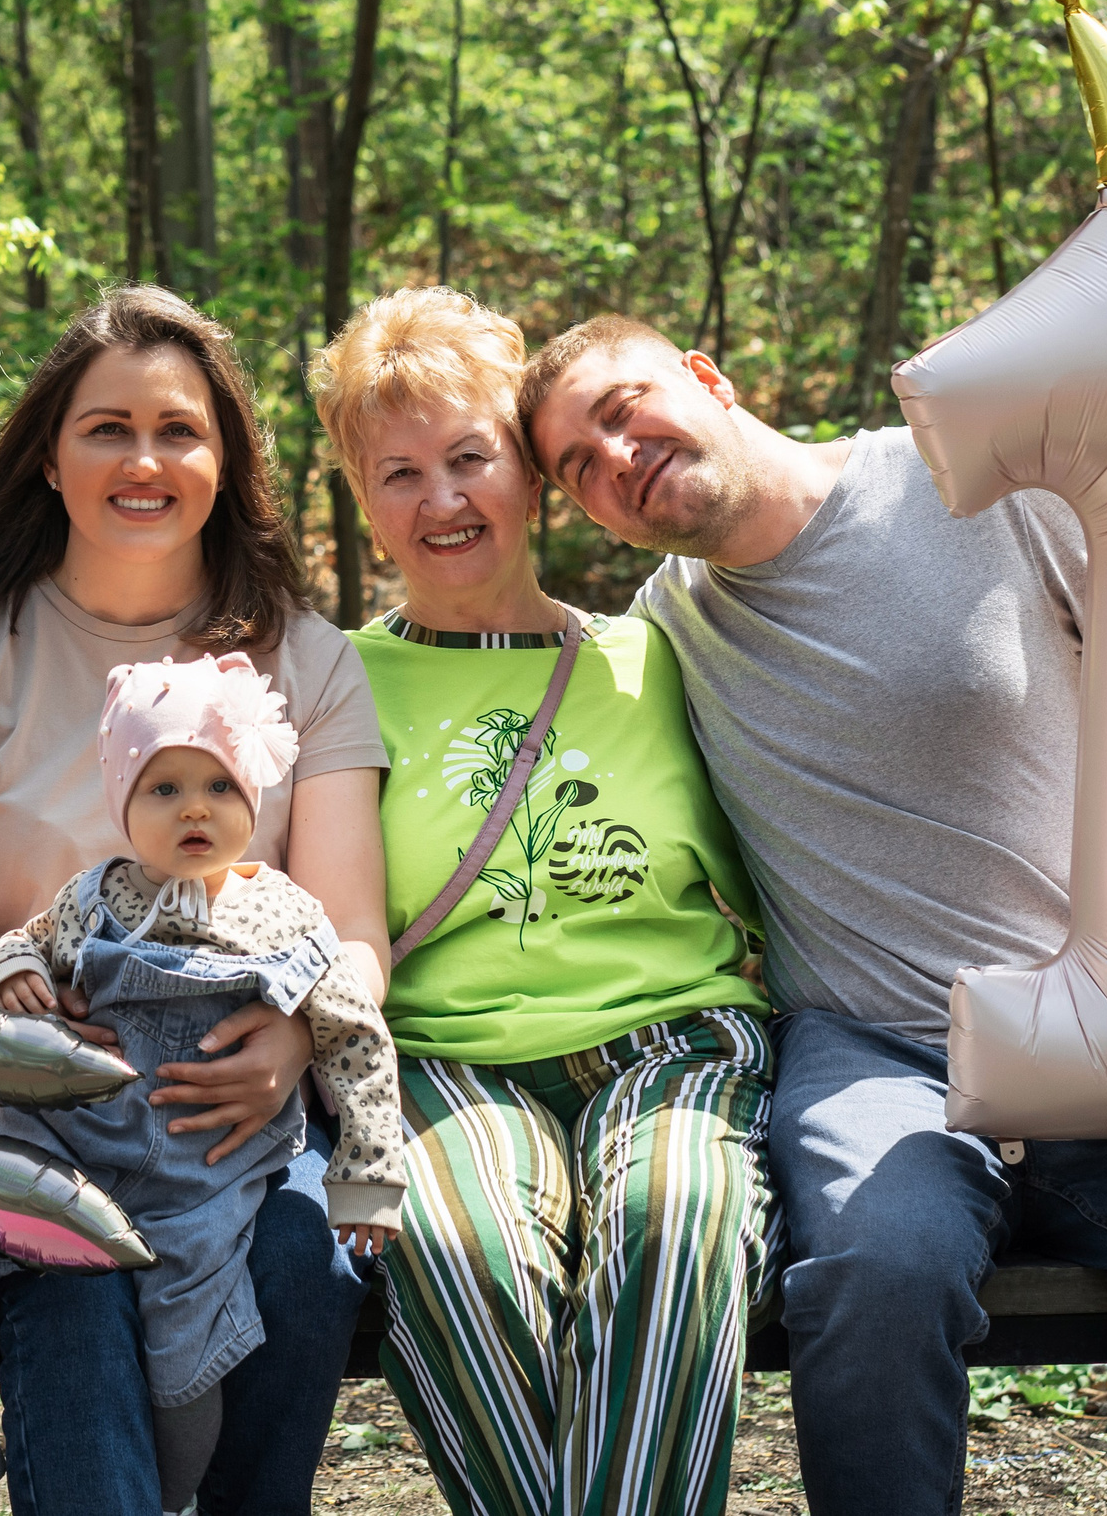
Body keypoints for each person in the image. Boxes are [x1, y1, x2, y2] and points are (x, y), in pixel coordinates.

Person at [520, 313, 1107, 1516]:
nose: (615, 456)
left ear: (705, 378)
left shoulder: (971, 486)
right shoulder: (658, 641)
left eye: (624, 409)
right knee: (880, 1272)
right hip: (878, 1053)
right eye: (576, 465)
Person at [0, 283, 392, 1516]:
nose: (143, 460)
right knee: (71, 1264)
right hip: (39, 1097)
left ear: (226, 460)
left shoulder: (307, 658)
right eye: (107, 428)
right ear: (50, 456)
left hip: (247, 1101)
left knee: (305, 1264)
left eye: (179, 430)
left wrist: (299, 1033)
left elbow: (350, 929)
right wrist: (38, 1052)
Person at [310, 287, 773, 1516]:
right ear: (363, 500)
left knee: (675, 1223)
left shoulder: (661, 653)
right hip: (451, 1063)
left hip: (674, 1045)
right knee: (455, 1255)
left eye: (471, 458)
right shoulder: (332, 682)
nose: (442, 500)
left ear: (528, 472)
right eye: (398, 472)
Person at [0, 653, 404, 1516]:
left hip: (205, 1165)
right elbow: (16, 942)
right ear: (121, 805)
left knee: (192, 1346)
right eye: (163, 789)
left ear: (254, 798)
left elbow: (355, 1034)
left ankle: (176, 1496)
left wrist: (367, 1177)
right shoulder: (92, 895)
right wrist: (16, 972)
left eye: (219, 785)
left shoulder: (284, 913)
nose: (195, 810)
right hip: (75, 1130)